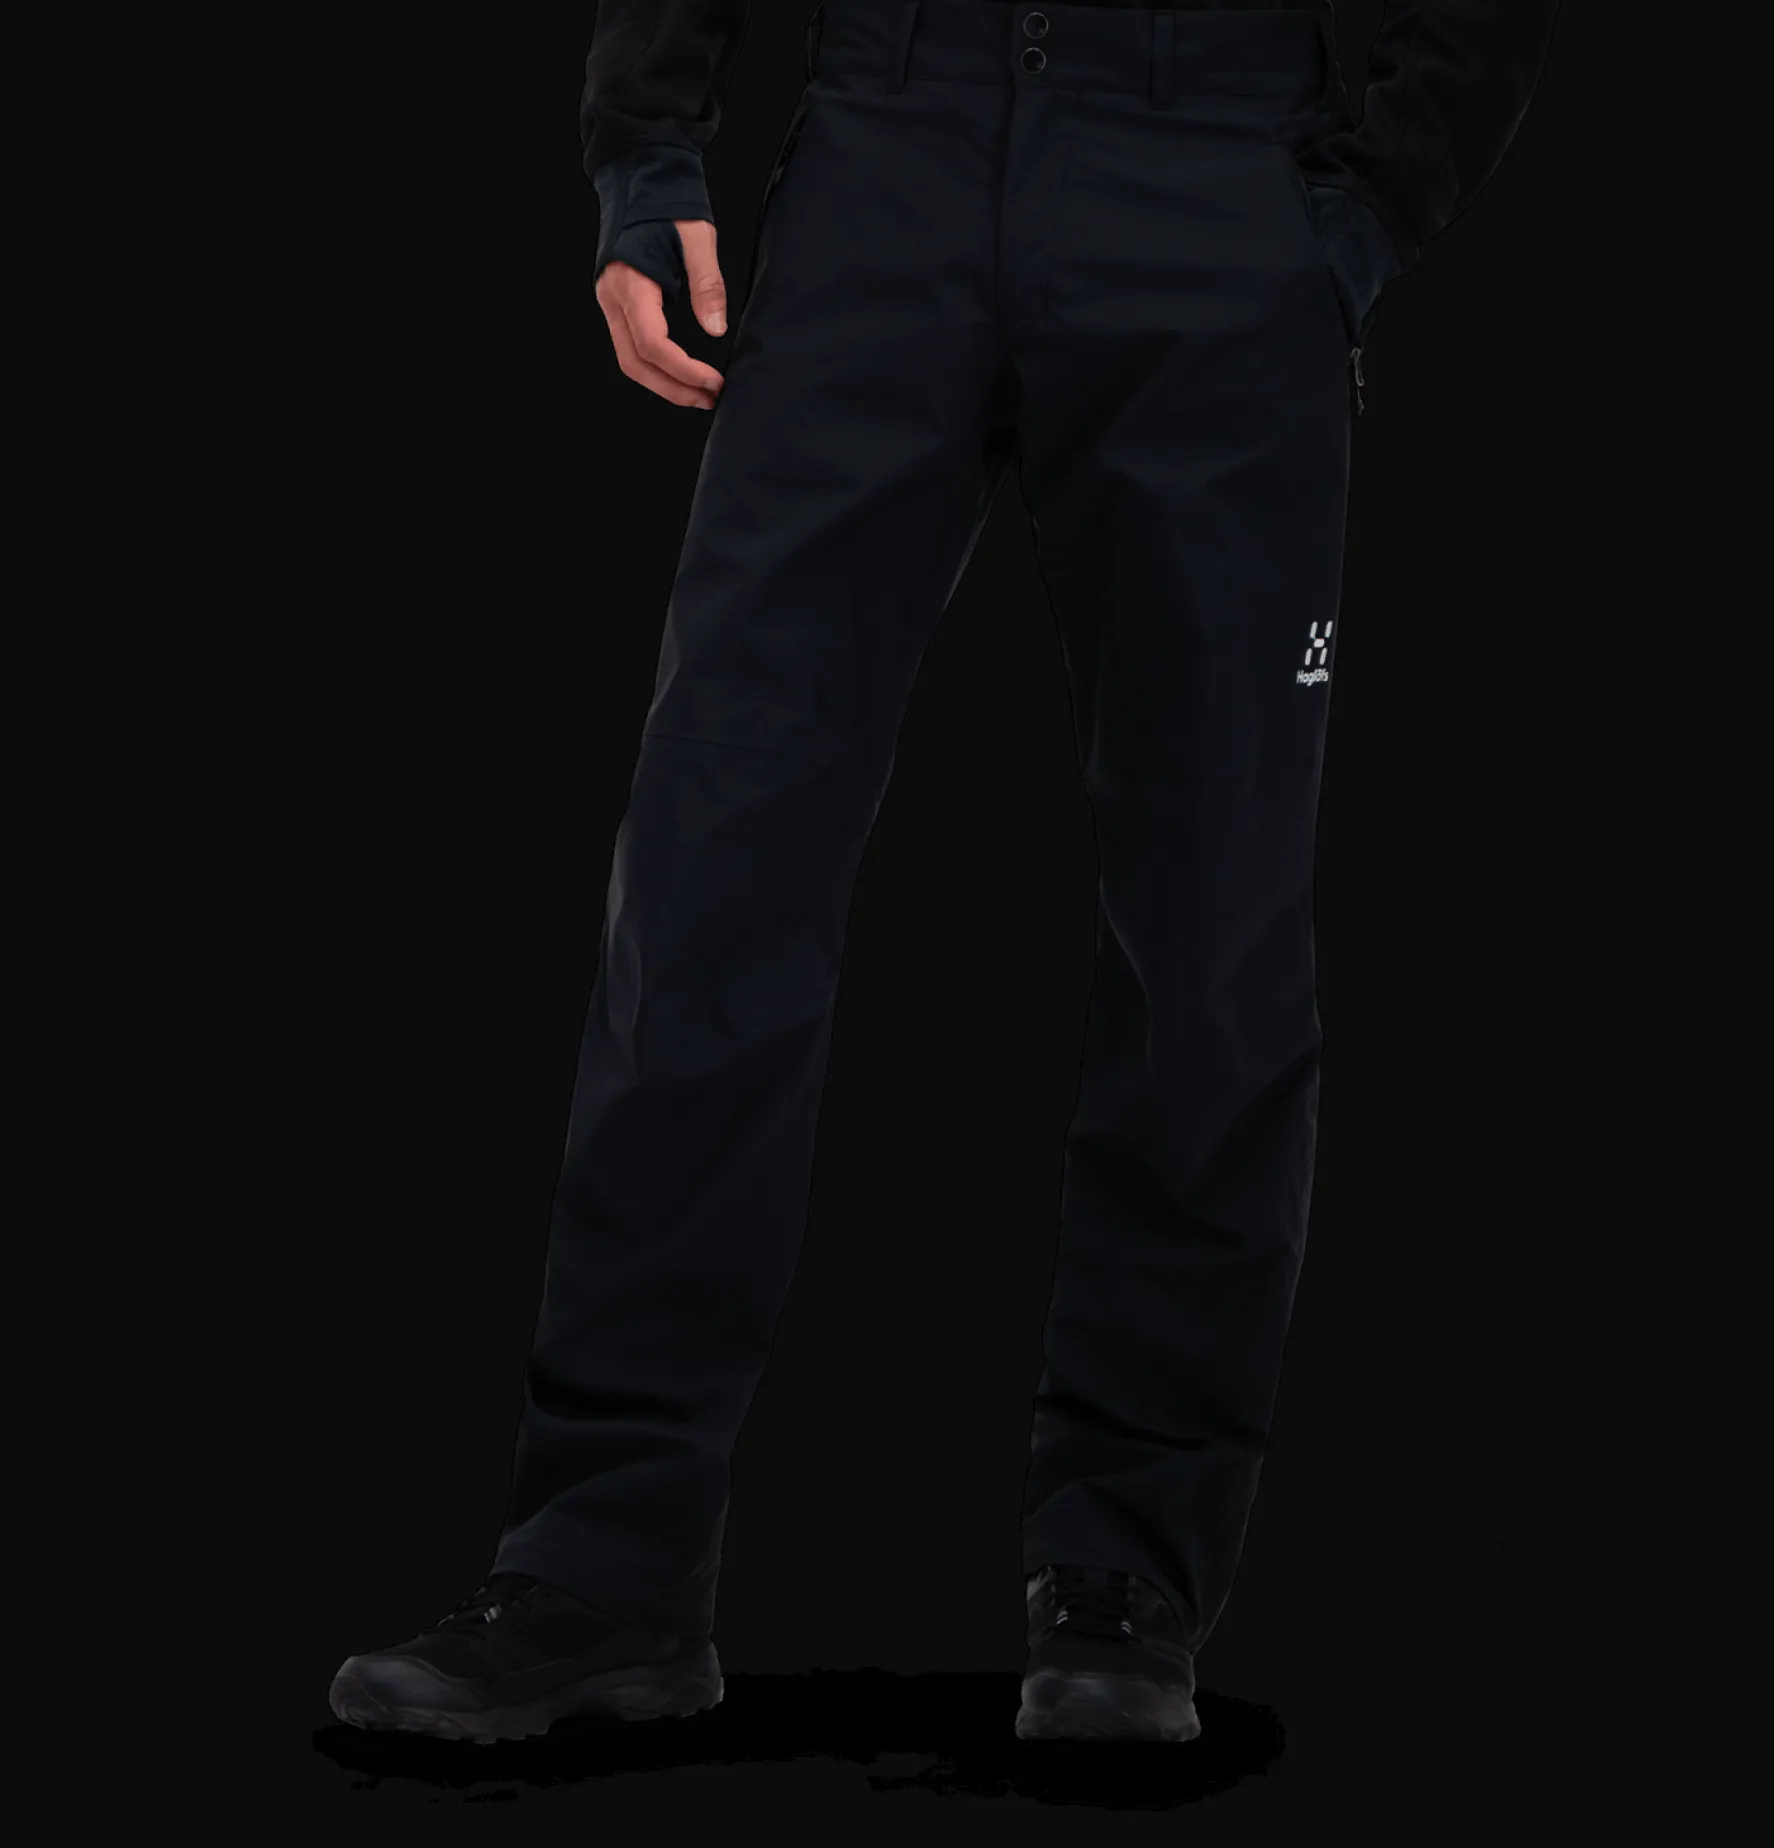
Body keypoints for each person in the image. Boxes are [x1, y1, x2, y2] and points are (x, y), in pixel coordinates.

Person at [329, 0, 1557, 1746]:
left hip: (1215, 176)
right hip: (881, 157)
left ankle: (1127, 1575)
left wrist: (1374, 204)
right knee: (707, 874)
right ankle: (602, 1569)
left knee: (1209, 917)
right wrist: (648, 142)